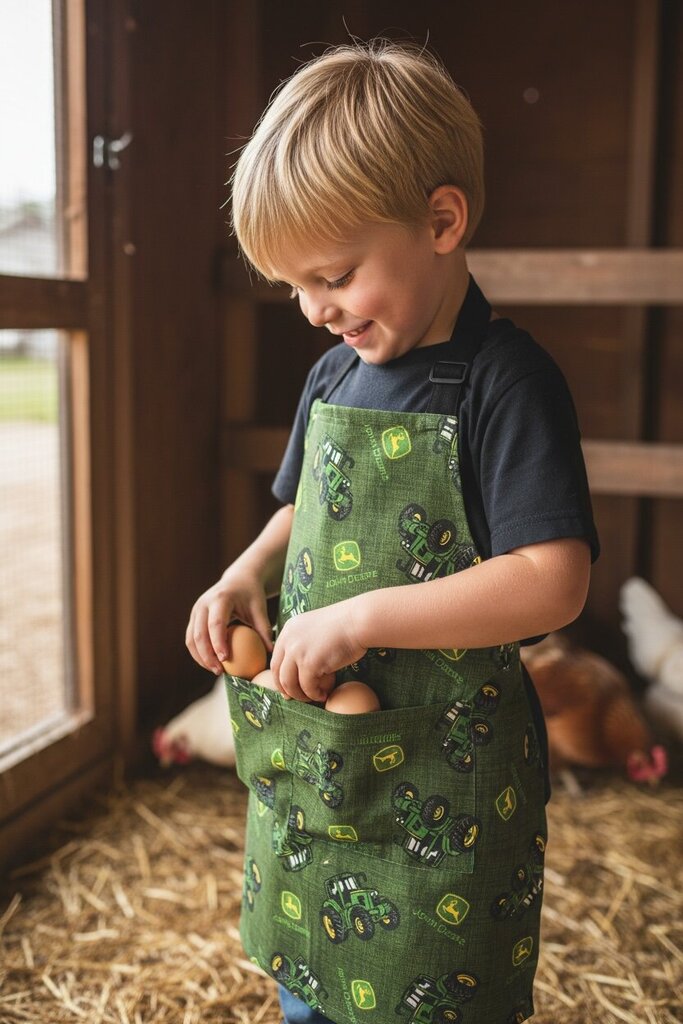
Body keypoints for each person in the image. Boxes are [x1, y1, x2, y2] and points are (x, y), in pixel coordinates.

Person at [186, 39, 599, 1024]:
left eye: (332, 274)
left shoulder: (507, 382)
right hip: (324, 775)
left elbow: (553, 579)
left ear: (440, 220)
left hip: (443, 789)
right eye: (292, 285)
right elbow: (302, 507)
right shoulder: (333, 374)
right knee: (311, 974)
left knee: (433, 987)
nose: (313, 309)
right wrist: (246, 571)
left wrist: (363, 612)